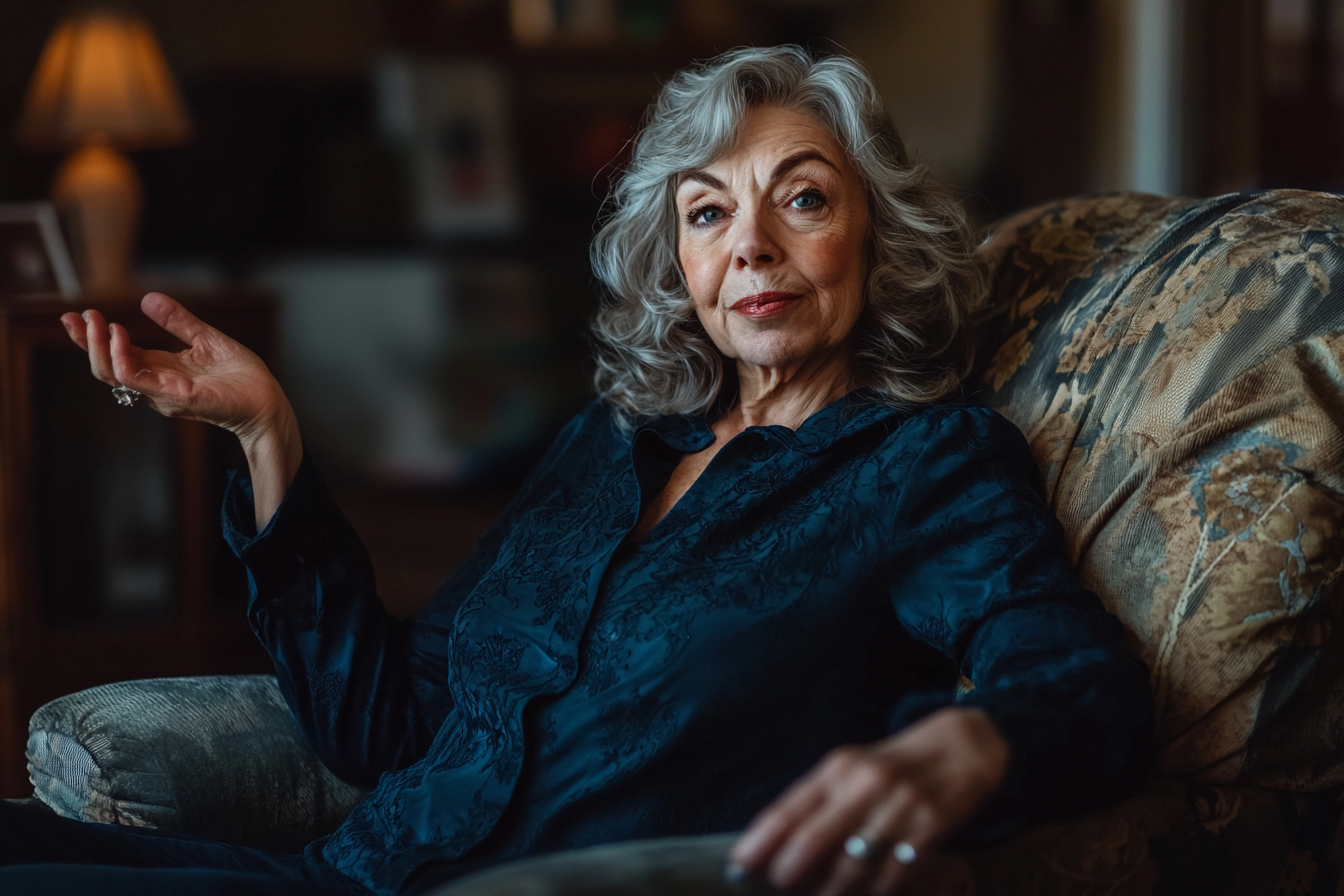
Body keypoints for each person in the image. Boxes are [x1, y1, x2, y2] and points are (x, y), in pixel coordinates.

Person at [2, 45, 1153, 896]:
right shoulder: (612, 438)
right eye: (708, 212)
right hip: (340, 872)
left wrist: (971, 736)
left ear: (878, 236)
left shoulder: (925, 465)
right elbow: (385, 726)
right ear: (682, 263)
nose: (750, 241)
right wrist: (268, 435)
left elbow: (1079, 681)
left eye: (801, 197)